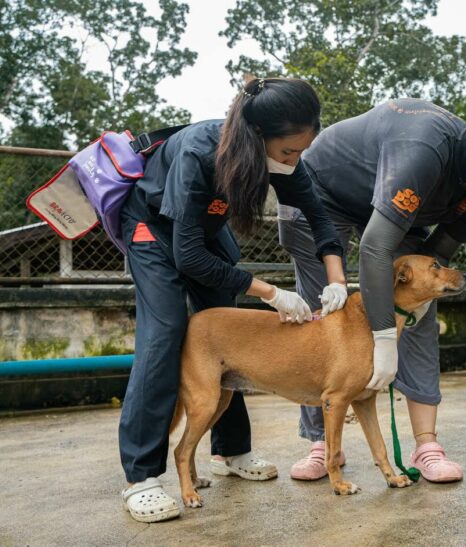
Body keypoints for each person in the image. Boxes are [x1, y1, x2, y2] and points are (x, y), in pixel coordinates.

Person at [279, 98, 466, 483]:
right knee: (325, 314)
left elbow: (434, 258)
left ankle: (426, 444)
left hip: (390, 209)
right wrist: (384, 338)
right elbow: (374, 248)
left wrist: (408, 306)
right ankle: (321, 442)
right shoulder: (421, 152)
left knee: (421, 301)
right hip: (319, 192)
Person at [118, 77, 347, 523]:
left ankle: (230, 452)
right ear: (258, 137)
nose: (294, 162)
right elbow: (187, 257)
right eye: (287, 153)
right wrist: (271, 292)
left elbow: (319, 218)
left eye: (301, 152)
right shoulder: (199, 155)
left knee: (228, 333)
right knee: (165, 331)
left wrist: (338, 280)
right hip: (152, 228)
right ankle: (140, 477)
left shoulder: (283, 156)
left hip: (201, 230)